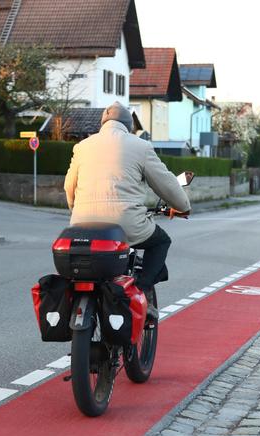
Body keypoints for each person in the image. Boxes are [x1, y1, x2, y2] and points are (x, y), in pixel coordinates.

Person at [64, 102, 191, 319]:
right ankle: (141, 290)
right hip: (126, 225)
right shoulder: (140, 146)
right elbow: (166, 182)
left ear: (103, 124)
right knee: (161, 241)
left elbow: (69, 186)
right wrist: (184, 206)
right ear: (129, 126)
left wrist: (76, 210)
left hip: (82, 225)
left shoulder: (82, 146)